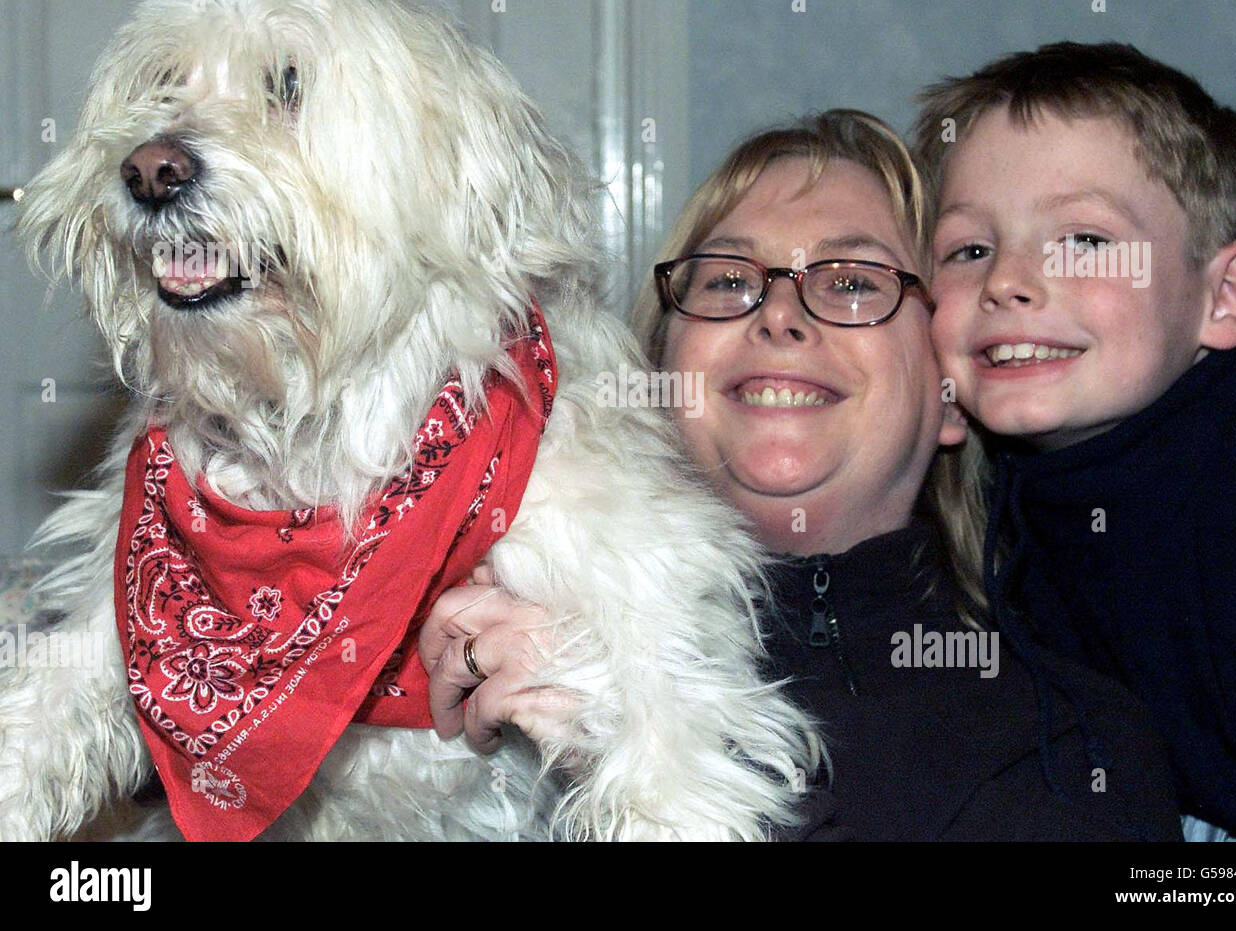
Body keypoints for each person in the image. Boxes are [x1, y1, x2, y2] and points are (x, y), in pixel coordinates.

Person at [420, 109, 1182, 840]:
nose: (779, 314)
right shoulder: (495, 628)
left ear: (949, 388)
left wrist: (642, 745)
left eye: (852, 281)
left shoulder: (1074, 740)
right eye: (725, 280)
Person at [914, 41, 1236, 840]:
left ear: (1223, 297)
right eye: (969, 249)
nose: (1008, 280)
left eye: (1084, 240)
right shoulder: (985, 506)